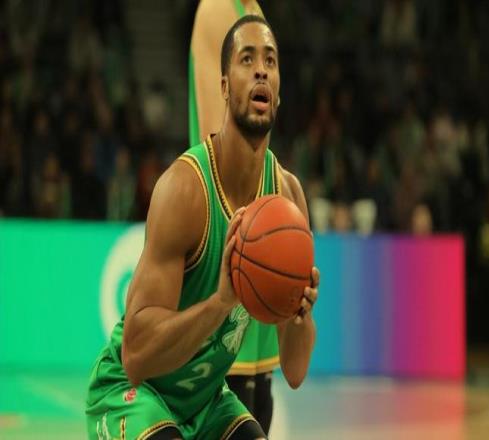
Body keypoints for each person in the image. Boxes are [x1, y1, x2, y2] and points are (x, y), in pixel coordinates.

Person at [86, 15, 319, 440]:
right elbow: (135, 356)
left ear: (279, 91)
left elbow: (296, 371)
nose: (261, 70)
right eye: (247, 59)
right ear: (224, 87)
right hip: (132, 393)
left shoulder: (287, 198)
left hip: (205, 401)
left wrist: (299, 316)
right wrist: (221, 302)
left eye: (270, 60)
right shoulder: (184, 190)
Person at [189, 1, 278, 434]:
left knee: (261, 402)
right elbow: (220, 145)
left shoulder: (250, 8)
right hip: (233, 237)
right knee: (237, 407)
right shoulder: (217, 10)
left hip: (256, 219)